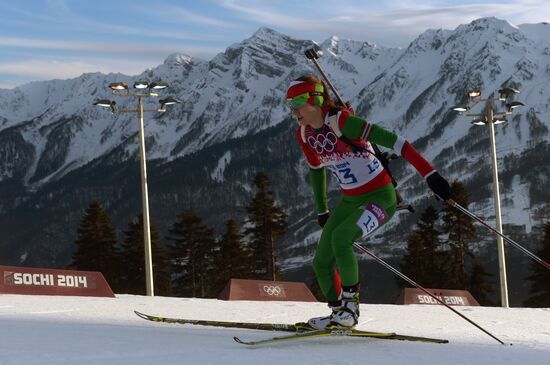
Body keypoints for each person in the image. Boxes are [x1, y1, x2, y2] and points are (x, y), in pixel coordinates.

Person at [286, 75, 451, 330]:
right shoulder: (305, 133)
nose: (293, 110)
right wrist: (322, 210)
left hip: (381, 198)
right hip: (350, 200)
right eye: (288, 105)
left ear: (315, 99)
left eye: (296, 103)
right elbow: (315, 170)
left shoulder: (342, 122)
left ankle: (351, 310)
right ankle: (338, 312)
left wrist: (431, 175)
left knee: (342, 238)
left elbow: (397, 143)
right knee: (321, 261)